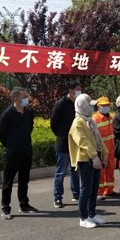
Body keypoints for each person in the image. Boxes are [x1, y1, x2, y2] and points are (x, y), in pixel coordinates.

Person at [0, 87, 39, 220]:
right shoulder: (7, 114)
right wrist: (11, 146)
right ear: (16, 99)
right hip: (13, 152)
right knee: (8, 181)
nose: (27, 99)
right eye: (24, 97)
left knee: (24, 180)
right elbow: (2, 135)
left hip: (26, 150)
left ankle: (24, 204)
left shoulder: (28, 113)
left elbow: (29, 129)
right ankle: (6, 208)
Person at [69, 94, 109, 228]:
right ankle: (83, 217)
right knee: (86, 189)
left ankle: (92, 214)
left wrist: (105, 153)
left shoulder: (90, 120)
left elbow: (98, 138)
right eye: (90, 105)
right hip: (86, 159)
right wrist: (94, 156)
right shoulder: (78, 122)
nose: (92, 108)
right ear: (83, 106)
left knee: (94, 188)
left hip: (95, 156)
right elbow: (83, 142)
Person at [50, 80, 81, 208]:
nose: (79, 91)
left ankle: (76, 194)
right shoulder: (61, 104)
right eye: (77, 89)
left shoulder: (77, 104)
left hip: (76, 142)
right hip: (63, 144)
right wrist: (62, 134)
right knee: (61, 172)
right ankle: (57, 197)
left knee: (75, 171)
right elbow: (54, 123)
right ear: (70, 90)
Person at [93, 97, 117, 201]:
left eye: (108, 105)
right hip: (101, 150)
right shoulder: (95, 119)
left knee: (110, 170)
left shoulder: (111, 118)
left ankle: (109, 190)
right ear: (98, 107)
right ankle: (99, 192)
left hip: (111, 149)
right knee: (101, 172)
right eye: (104, 105)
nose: (107, 107)